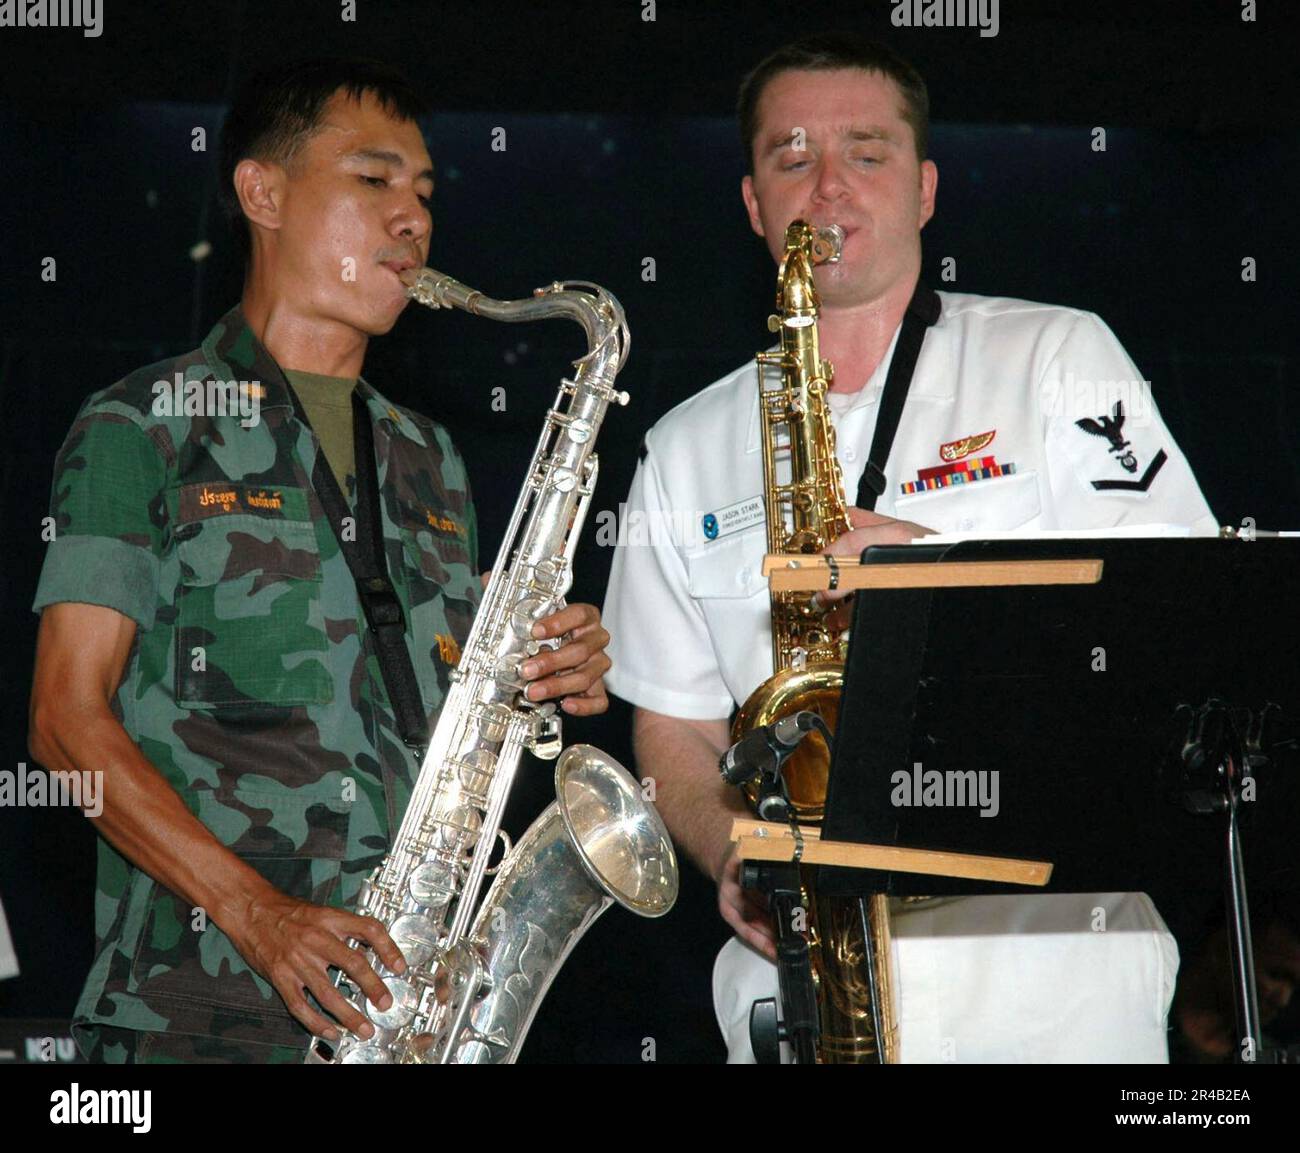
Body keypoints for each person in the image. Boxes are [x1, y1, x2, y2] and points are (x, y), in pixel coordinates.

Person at [603, 35, 1218, 1063]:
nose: (829, 183)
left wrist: (935, 575)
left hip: (1051, 984)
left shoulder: (1060, 356)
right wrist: (736, 856)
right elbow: (671, 728)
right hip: (795, 994)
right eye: (791, 156)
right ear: (753, 202)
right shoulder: (683, 446)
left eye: (868, 151)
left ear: (926, 190)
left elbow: (1182, 624)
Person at [27, 59, 612, 1064]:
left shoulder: (428, 456)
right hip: (194, 1016)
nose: (412, 220)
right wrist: (259, 915)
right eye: (373, 181)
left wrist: (546, 667)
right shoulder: (140, 425)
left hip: (401, 1009)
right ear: (261, 193)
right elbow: (62, 723)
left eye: (424, 195)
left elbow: (445, 715)